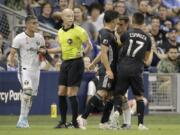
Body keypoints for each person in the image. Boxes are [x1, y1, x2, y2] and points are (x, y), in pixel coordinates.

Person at [40, 8, 92, 128]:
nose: (71, 18)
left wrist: (82, 54)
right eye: (68, 16)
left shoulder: (80, 31)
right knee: (61, 91)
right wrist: (47, 50)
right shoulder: (60, 32)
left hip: (76, 63)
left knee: (71, 93)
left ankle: (74, 122)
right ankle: (63, 121)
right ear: (62, 17)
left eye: (72, 16)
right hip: (65, 63)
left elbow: (89, 45)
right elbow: (62, 48)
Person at [77, 10, 120, 130]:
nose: (118, 21)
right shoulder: (106, 33)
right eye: (117, 19)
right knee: (102, 92)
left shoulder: (109, 33)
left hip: (112, 68)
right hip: (109, 68)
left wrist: (93, 63)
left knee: (111, 95)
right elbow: (105, 54)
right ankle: (83, 117)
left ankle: (104, 122)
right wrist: (108, 70)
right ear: (112, 20)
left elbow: (102, 52)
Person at [112, 12, 152, 130]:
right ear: (143, 22)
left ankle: (116, 113)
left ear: (132, 21)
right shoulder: (147, 38)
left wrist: (115, 33)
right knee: (139, 97)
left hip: (123, 67)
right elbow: (146, 58)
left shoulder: (127, 33)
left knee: (119, 94)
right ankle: (140, 124)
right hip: (136, 69)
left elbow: (119, 43)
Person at [8, 15, 45, 128]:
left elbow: (42, 53)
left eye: (37, 23)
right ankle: (21, 120)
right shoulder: (19, 38)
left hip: (36, 70)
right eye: (34, 23)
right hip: (24, 69)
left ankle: (24, 119)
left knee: (30, 96)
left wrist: (43, 59)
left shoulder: (39, 38)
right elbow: (12, 53)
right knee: (27, 91)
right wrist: (10, 61)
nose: (36, 25)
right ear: (27, 24)